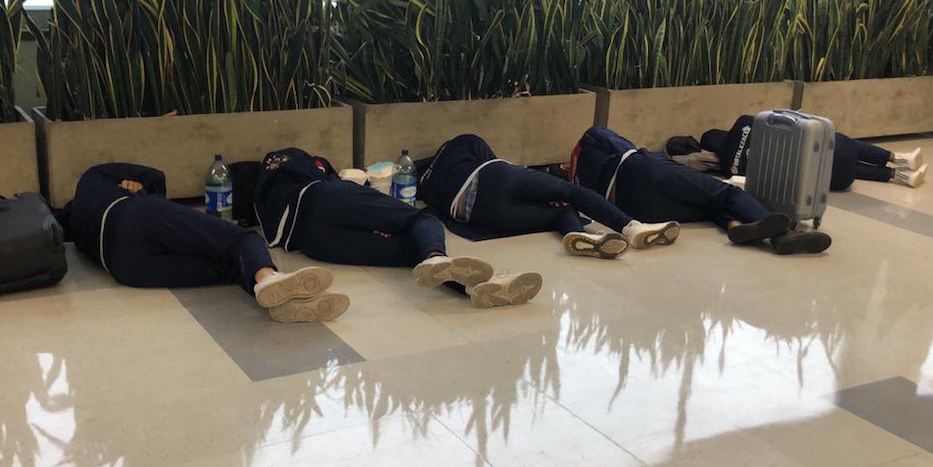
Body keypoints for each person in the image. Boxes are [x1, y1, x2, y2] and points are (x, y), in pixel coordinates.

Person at [57, 162, 348, 323]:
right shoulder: (93, 175)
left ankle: (288, 301)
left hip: (125, 268)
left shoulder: (78, 227)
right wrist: (140, 187)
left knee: (228, 268)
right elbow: (157, 176)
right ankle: (269, 277)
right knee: (240, 238)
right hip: (137, 215)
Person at [254, 148, 542, 308]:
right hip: (322, 197)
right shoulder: (303, 159)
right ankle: (435, 256)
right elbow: (346, 179)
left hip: (311, 242)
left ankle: (476, 287)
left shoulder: (262, 189)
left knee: (407, 252)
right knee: (421, 219)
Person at [571, 127, 833, 255]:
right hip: (644, 170)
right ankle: (783, 234)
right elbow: (630, 149)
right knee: (727, 194)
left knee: (711, 208)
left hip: (638, 209)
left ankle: (734, 226)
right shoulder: (591, 136)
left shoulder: (577, 186)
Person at [415, 133, 679, 259]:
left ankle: (579, 236)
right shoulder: (462, 142)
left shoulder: (424, 187)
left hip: (481, 217)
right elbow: (493, 162)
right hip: (494, 178)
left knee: (557, 212)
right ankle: (632, 228)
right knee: (571, 193)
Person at [669, 115, 928, 190]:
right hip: (823, 149)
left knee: (832, 167)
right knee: (841, 145)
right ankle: (899, 158)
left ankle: (897, 176)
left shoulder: (729, 168)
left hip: (829, 179)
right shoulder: (745, 123)